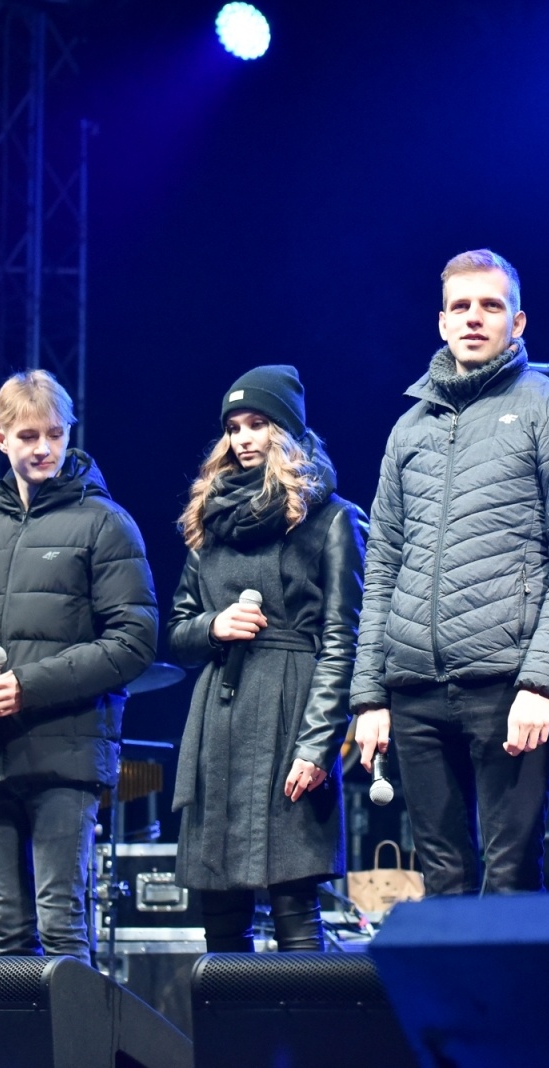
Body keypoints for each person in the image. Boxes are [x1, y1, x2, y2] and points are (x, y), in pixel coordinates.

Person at [351, 249, 549, 897]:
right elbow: (381, 566)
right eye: (460, 307)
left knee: (512, 878)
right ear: (441, 322)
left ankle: (521, 1004)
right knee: (441, 882)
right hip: (413, 692)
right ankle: (454, 1006)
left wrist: (541, 682)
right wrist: (369, 695)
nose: (473, 319)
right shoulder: (408, 429)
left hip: (507, 684)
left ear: (517, 322)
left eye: (490, 306)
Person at [0, 370, 158, 962]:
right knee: (7, 932)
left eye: (55, 434)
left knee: (62, 928)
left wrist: (25, 688)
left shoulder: (105, 523)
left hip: (66, 753)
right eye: (28, 435)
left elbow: (135, 640)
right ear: (1, 438)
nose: (43, 448)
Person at [167, 365, 365, 951]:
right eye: (234, 427)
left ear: (287, 429)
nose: (244, 438)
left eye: (258, 423)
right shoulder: (209, 523)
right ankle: (232, 1042)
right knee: (219, 907)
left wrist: (318, 744)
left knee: (293, 902)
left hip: (290, 715)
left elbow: (343, 639)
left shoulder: (331, 519)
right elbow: (176, 629)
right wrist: (213, 626)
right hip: (220, 721)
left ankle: (306, 1041)